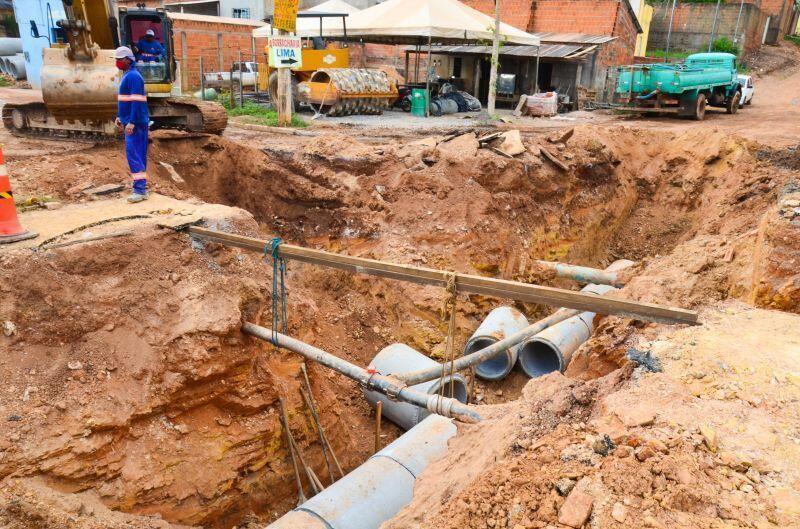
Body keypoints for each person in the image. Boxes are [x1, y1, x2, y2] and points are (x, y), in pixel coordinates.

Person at [114, 46, 150, 203]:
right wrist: (119, 116)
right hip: (132, 120)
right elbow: (126, 101)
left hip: (135, 123)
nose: (117, 62)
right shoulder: (129, 75)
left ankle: (140, 190)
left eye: (119, 60)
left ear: (128, 60)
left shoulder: (133, 77)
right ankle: (141, 189)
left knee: (134, 155)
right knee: (137, 154)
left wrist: (131, 122)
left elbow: (137, 101)